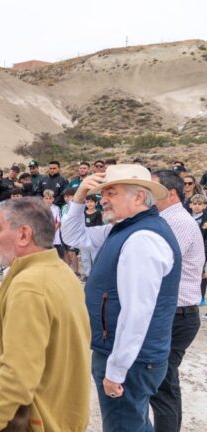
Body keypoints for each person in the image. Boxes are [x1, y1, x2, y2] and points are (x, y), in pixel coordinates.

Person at [61, 164, 181, 431]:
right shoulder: (124, 228)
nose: (102, 199)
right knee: (134, 423)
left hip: (131, 360)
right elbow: (71, 235)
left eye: (111, 193)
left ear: (138, 197)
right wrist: (79, 197)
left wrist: (116, 370)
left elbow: (137, 313)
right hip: (127, 355)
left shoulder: (142, 238)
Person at [0, 197, 91, 431]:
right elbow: (28, 322)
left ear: (24, 234)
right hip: (62, 415)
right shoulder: (58, 271)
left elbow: (17, 377)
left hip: (39, 420)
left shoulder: (29, 285)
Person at [149, 170, 204, 431]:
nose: (148, 194)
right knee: (164, 382)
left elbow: (161, 263)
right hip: (176, 313)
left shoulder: (178, 222)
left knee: (162, 383)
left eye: (153, 189)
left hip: (178, 315)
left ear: (170, 193)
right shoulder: (167, 219)